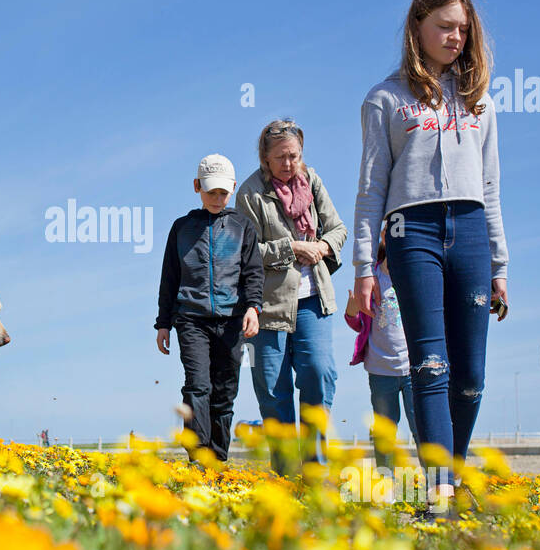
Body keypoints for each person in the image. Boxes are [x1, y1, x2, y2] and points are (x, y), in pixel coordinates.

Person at [352, 0, 509, 518]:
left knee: (470, 374)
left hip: (469, 229)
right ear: (418, 25)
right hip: (409, 230)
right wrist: (363, 271)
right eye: (445, 26)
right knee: (430, 362)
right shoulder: (384, 98)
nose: (456, 37)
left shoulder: (480, 101)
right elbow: (372, 187)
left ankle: (452, 471)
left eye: (463, 28)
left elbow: (490, 188)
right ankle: (440, 489)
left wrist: (499, 263)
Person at [236, 122, 347, 474]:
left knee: (319, 372)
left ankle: (315, 470)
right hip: (268, 306)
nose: (289, 164)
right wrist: (291, 248)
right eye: (280, 157)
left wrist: (324, 246)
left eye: (294, 156)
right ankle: (285, 474)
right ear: (265, 159)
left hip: (314, 299)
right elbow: (246, 251)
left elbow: (338, 228)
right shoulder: (249, 193)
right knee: (272, 388)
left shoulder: (312, 181)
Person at [156, 154, 262, 463]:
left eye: (223, 192)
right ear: (197, 187)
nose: (217, 198)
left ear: (232, 188)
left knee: (225, 391)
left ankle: (218, 458)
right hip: (191, 320)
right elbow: (169, 277)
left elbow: (253, 272)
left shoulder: (243, 227)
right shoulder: (182, 228)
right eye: (210, 191)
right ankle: (197, 458)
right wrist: (163, 323)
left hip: (232, 322)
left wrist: (253, 307)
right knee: (197, 386)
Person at [344, 224, 418, 470]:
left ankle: (437, 487)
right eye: (390, 234)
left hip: (413, 370)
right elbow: (357, 323)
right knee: (384, 432)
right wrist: (351, 312)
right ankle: (386, 486)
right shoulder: (371, 278)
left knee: (422, 428)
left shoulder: (415, 275)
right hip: (380, 371)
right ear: (384, 238)